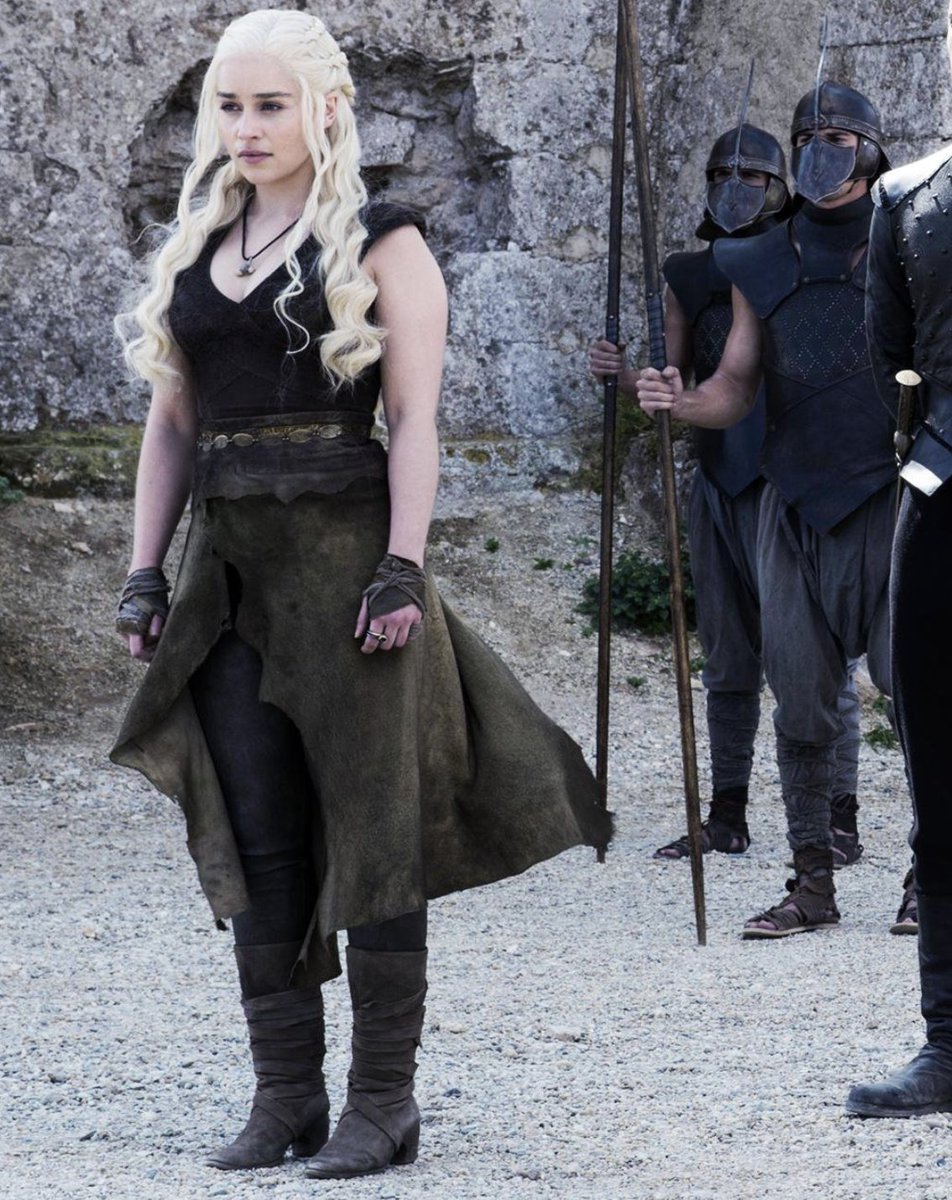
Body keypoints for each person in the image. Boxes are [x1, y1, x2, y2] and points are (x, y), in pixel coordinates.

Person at [110, 9, 611, 1179]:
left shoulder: (384, 240)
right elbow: (172, 425)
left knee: (376, 827)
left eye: (269, 104)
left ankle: (383, 1103)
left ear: (325, 108)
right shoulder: (200, 240)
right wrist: (144, 571)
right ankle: (286, 1093)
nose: (246, 126)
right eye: (229, 105)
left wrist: (402, 566)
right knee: (259, 830)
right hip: (227, 579)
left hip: (350, 576)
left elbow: (415, 420)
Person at [636, 80, 902, 939]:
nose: (822, 150)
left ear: (872, 147)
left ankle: (928, 882)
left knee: (917, 692)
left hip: (894, 494)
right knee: (801, 701)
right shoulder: (757, 258)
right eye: (808, 136)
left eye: (838, 136)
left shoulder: (911, 239)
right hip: (792, 500)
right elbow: (735, 386)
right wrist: (678, 400)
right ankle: (812, 885)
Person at [590, 122, 865, 869]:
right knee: (727, 658)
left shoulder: (802, 262)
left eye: (753, 176)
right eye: (723, 174)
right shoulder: (687, 274)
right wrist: (623, 375)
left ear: (781, 187)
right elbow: (674, 383)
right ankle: (727, 815)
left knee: (818, 659)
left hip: (792, 480)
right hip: (718, 477)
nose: (736, 189)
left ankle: (837, 818)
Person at [845, 8, 952, 1117]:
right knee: (942, 786)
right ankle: (950, 1042)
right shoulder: (905, 197)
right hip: (945, 498)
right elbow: (892, 361)